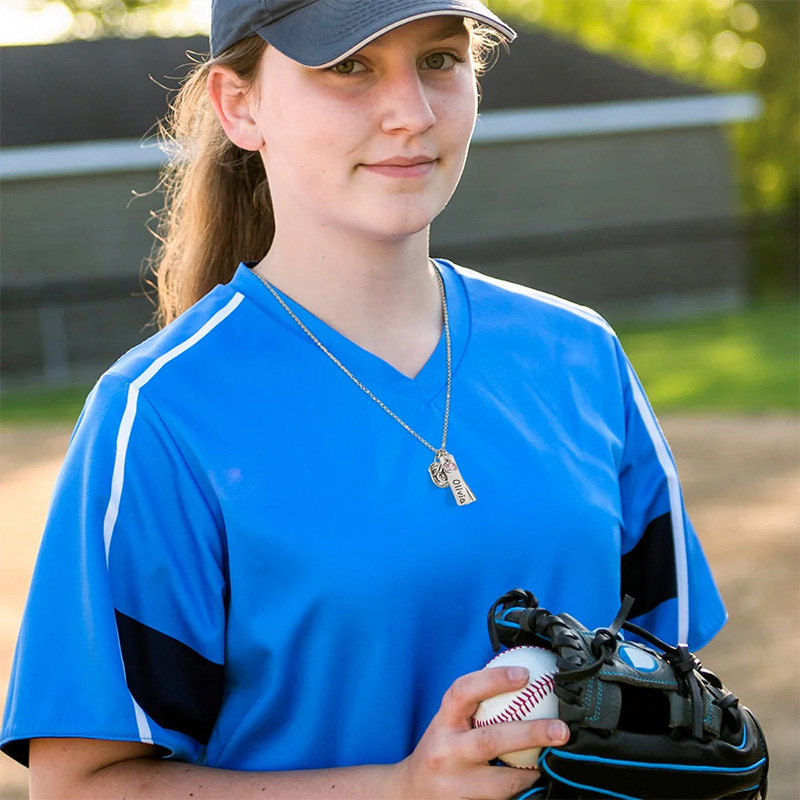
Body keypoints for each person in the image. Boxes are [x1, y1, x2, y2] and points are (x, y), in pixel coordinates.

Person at [1, 1, 728, 798]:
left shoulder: (580, 355)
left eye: (441, 60)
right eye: (349, 67)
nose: (411, 114)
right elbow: (80, 786)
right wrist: (403, 788)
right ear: (239, 105)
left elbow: (676, 686)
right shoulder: (163, 413)